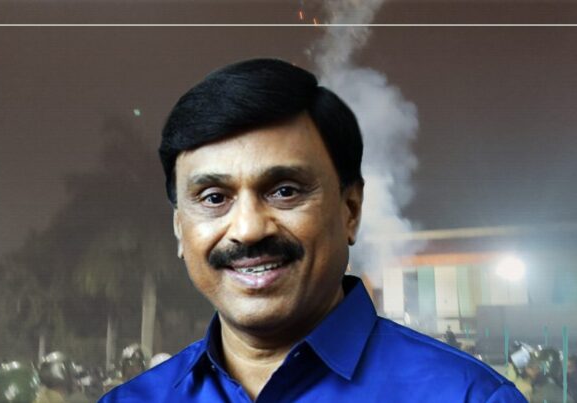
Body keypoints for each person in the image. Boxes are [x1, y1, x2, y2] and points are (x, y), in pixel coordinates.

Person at [99, 58, 526, 402]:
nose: (248, 229)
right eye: (214, 198)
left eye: (284, 191)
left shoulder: (467, 397)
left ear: (350, 210)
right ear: (180, 229)